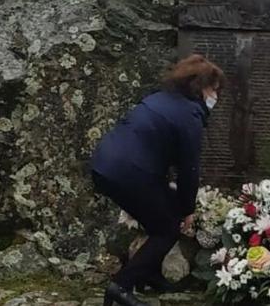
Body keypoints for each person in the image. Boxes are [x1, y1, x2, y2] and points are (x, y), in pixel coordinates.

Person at [90, 54, 225, 306]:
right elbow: (189, 170)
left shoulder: (160, 99)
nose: (215, 96)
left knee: (159, 219)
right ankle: (120, 287)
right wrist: (187, 210)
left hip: (105, 165)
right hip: (130, 173)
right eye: (214, 90)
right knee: (168, 227)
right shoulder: (189, 117)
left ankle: (147, 273)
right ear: (201, 87)